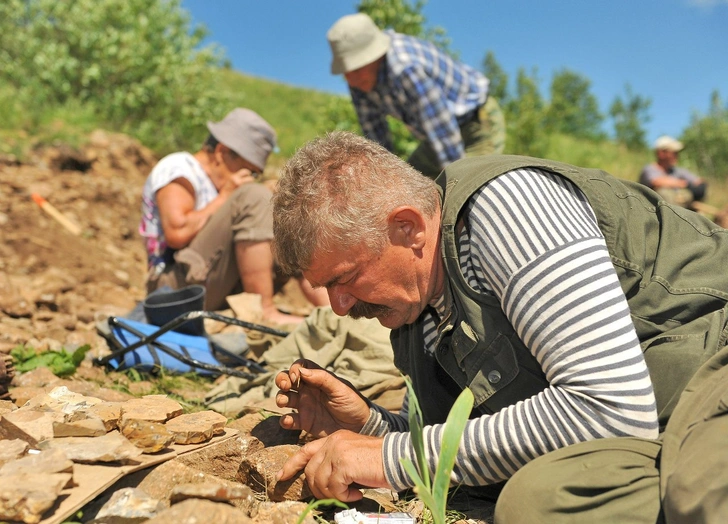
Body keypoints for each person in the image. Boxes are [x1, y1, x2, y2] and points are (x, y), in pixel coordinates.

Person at [271, 131, 728, 523]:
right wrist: (371, 427)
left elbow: (608, 409)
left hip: (714, 375)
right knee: (543, 497)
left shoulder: (509, 207)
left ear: (407, 227)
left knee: (555, 500)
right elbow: (459, 443)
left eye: (344, 278)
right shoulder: (414, 311)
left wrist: (388, 458)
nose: (338, 305)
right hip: (661, 422)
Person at [139, 107, 328, 325]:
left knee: (276, 209)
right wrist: (227, 195)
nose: (250, 178)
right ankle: (262, 311)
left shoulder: (217, 180)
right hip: (172, 288)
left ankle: (331, 311)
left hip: (210, 282)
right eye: (249, 172)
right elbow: (176, 233)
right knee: (253, 195)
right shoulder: (179, 167)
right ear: (221, 152)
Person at [326, 13, 505, 180]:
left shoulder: (405, 68)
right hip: (436, 135)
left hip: (476, 124)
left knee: (471, 190)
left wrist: (456, 183)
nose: (351, 78)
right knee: (410, 185)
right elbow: (376, 138)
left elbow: (440, 126)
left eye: (356, 68)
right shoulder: (358, 82)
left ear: (374, 57)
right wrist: (385, 182)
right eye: (346, 71)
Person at [639, 135, 707, 209]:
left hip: (679, 209)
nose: (677, 156)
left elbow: (698, 181)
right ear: (661, 153)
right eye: (673, 153)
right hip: (654, 210)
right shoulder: (649, 169)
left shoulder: (678, 171)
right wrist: (684, 184)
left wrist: (700, 187)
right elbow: (656, 181)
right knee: (664, 192)